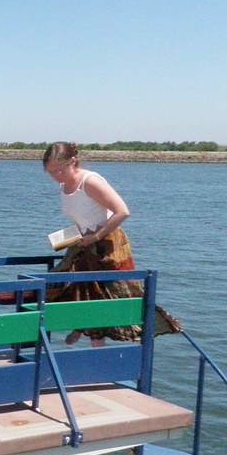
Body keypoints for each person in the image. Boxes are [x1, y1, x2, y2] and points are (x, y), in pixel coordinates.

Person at [42, 141, 180, 345]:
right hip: (83, 244)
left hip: (106, 243)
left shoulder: (90, 181)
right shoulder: (64, 185)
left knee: (109, 296)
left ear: (73, 161)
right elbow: (84, 217)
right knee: (67, 287)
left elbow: (122, 211)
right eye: (50, 172)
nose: (55, 176)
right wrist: (67, 238)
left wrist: (96, 236)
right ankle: (80, 328)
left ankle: (98, 342)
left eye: (59, 171)